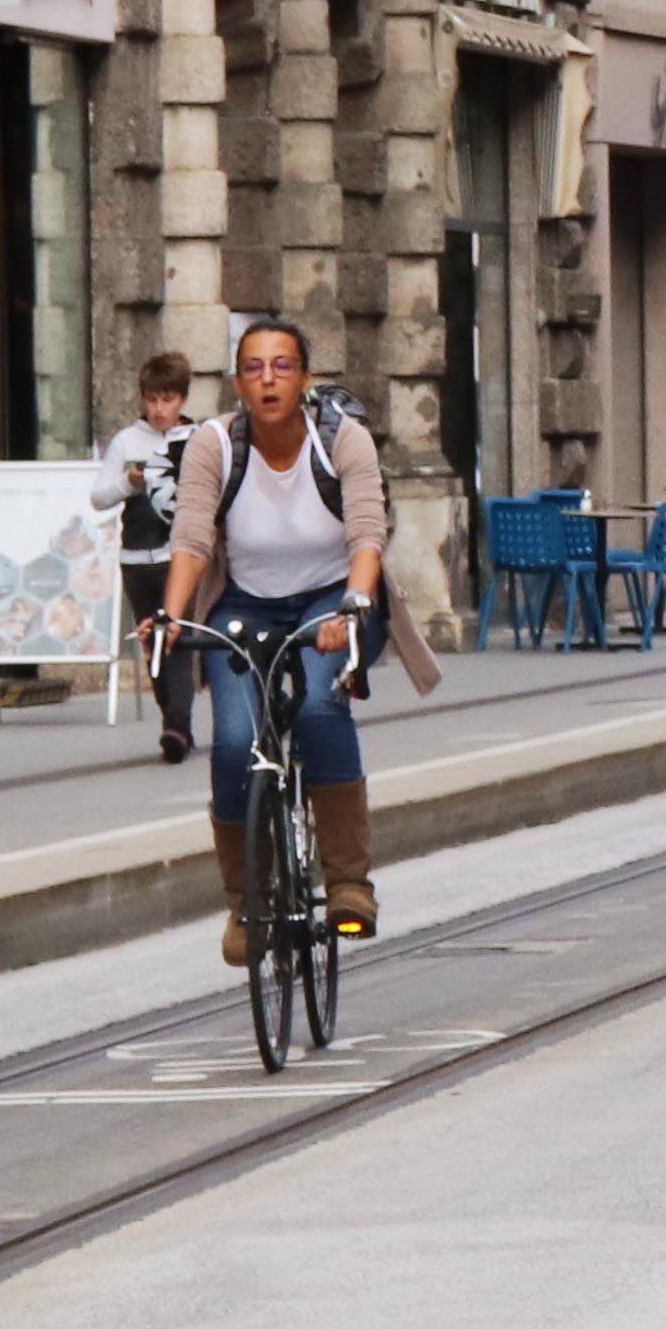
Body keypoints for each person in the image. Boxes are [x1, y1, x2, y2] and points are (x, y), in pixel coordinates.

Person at [158, 318, 439, 962]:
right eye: (254, 368)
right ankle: (246, 904)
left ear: (305, 379)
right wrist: (173, 617)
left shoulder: (342, 439)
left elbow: (367, 532)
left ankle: (347, 884)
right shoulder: (215, 447)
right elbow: (193, 537)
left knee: (318, 705)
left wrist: (353, 605)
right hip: (246, 604)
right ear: (237, 384)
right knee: (232, 742)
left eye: (282, 367)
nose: (268, 380)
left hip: (332, 599)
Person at [93, 351, 201, 760]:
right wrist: (129, 481)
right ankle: (170, 717)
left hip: (180, 556)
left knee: (179, 637)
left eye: (168, 400)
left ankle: (178, 726)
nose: (159, 409)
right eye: (152, 400)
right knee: (153, 642)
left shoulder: (196, 439)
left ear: (182, 401)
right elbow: (99, 497)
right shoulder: (126, 441)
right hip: (137, 558)